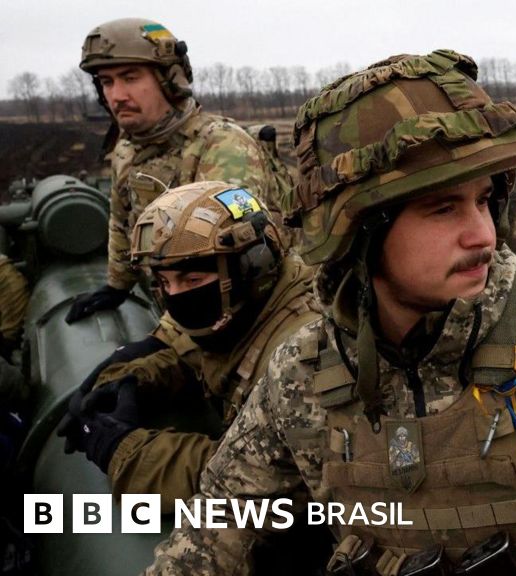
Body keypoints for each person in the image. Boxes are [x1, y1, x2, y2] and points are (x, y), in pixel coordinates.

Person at [148, 50, 516, 575]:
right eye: (443, 208)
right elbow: (213, 532)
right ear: (359, 231)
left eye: (484, 200)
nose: (483, 235)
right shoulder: (304, 367)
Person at [57, 181, 319, 510]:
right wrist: (135, 378)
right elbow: (199, 354)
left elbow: (268, 482)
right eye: (165, 282)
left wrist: (124, 452)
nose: (177, 296)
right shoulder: (245, 312)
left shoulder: (307, 352)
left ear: (252, 266)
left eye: (192, 280)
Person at [65, 17, 292, 324]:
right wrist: (117, 285)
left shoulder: (222, 148)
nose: (117, 95)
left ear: (169, 79)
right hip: (176, 304)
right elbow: (122, 220)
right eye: (106, 82)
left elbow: (230, 271)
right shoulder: (127, 148)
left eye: (130, 78)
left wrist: (164, 344)